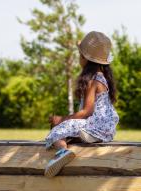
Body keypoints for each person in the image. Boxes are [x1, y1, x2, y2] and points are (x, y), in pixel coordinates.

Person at [44, 31, 120, 178]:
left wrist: (61, 120)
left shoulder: (91, 80)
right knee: (69, 131)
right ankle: (85, 136)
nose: (79, 59)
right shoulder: (102, 78)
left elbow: (87, 111)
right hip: (106, 128)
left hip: (94, 125)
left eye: (80, 56)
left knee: (58, 130)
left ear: (86, 59)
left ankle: (62, 152)